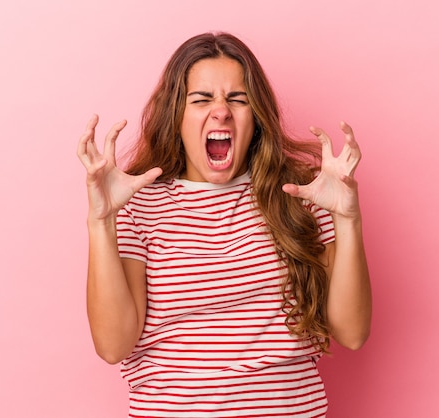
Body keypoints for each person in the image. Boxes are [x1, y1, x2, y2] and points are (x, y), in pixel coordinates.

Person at [77, 32, 372, 418]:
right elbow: (113, 346)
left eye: (238, 99)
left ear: (256, 116)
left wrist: (347, 218)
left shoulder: (302, 192)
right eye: (201, 99)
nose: (221, 111)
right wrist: (102, 221)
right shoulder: (137, 203)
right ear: (176, 115)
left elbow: (352, 333)